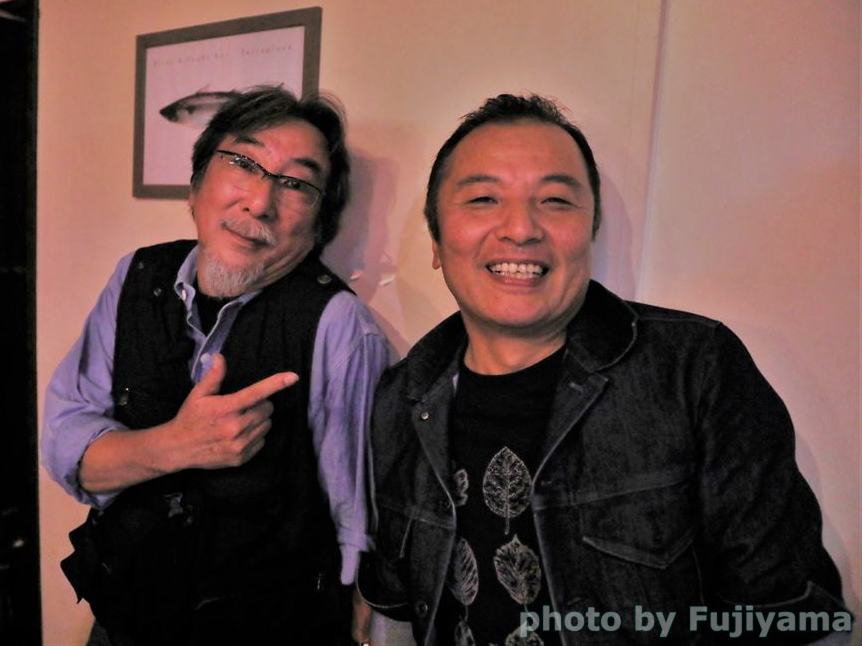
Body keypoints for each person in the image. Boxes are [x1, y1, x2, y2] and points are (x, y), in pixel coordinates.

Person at [358, 93, 851, 645]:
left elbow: (790, 617)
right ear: (436, 239)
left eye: (555, 200)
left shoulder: (694, 370)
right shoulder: (401, 397)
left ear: (590, 229)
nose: (520, 228)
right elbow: (394, 609)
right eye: (483, 198)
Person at [42, 87, 386, 645]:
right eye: (244, 163)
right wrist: (176, 445)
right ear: (197, 183)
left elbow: (357, 524)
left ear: (319, 224)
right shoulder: (136, 276)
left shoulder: (338, 323)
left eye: (297, 184)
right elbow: (68, 452)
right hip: (124, 615)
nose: (260, 202)